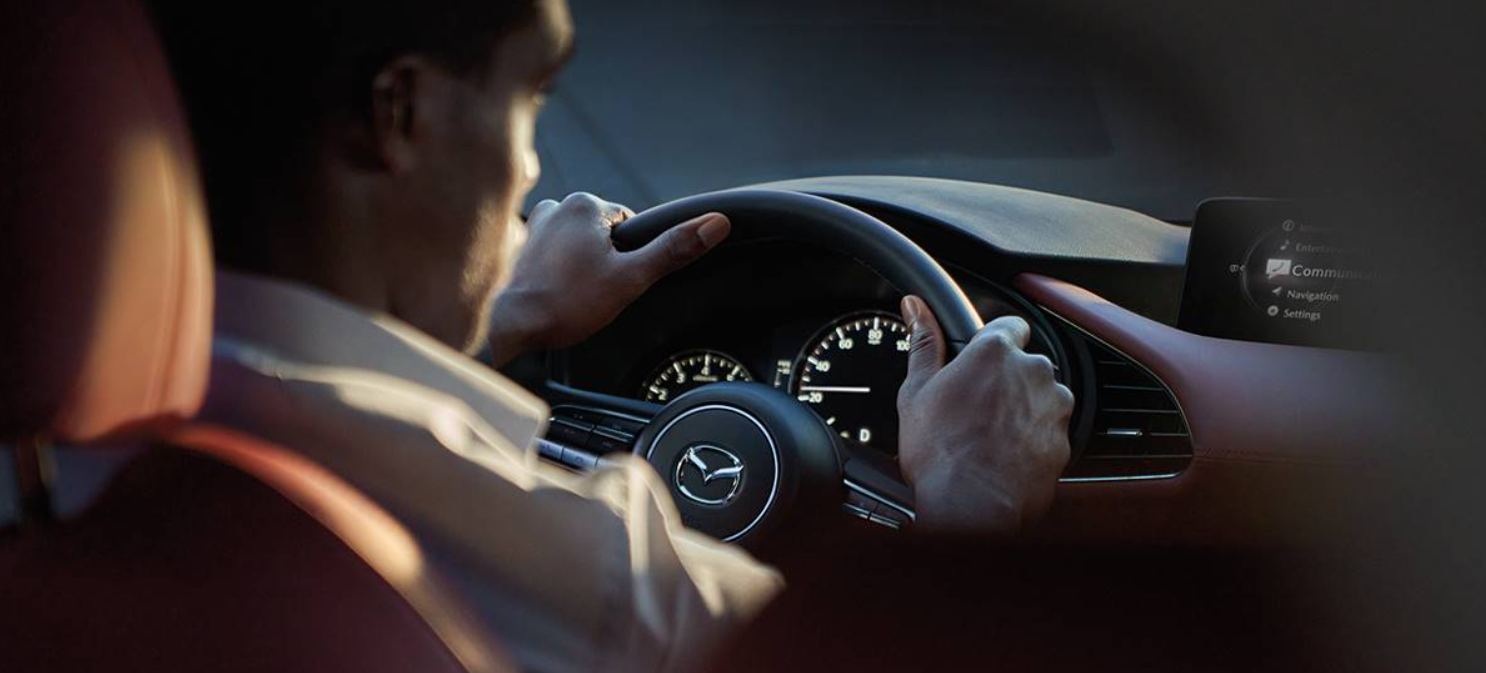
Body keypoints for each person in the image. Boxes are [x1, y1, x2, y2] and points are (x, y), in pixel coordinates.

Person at [150, 0, 1075, 671]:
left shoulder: (84, 437)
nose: (531, 171)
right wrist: (973, 499)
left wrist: (505, 319)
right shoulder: (588, 577)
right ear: (404, 115)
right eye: (532, 100)